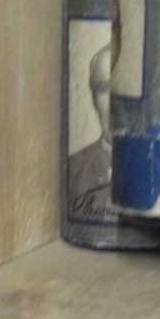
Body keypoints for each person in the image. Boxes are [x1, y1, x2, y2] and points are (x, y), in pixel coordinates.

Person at [68, 42, 113, 221]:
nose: (114, 101)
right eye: (104, 88)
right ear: (94, 99)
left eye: (123, 85)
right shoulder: (71, 171)